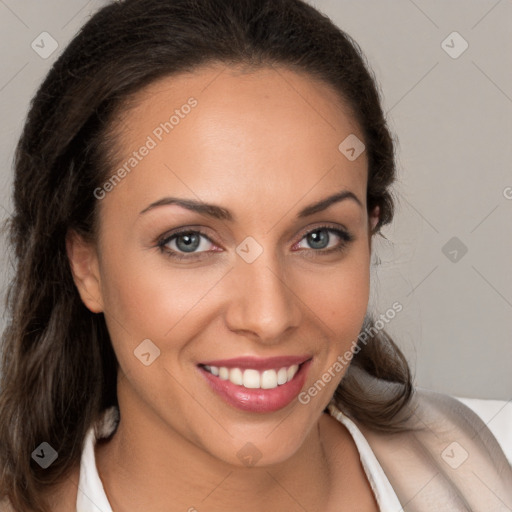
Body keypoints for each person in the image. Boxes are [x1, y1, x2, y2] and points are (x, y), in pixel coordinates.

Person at [0, 0, 510, 511]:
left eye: (318, 237)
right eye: (189, 241)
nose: (268, 317)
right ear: (85, 263)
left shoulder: (495, 463)